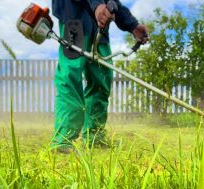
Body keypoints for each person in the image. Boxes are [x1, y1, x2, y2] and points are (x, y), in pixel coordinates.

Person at [51, 0, 148, 151]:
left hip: (99, 30)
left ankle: (94, 137)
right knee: (71, 76)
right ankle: (64, 139)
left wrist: (133, 25)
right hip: (74, 20)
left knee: (102, 80)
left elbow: (112, 2)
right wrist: (96, 5)